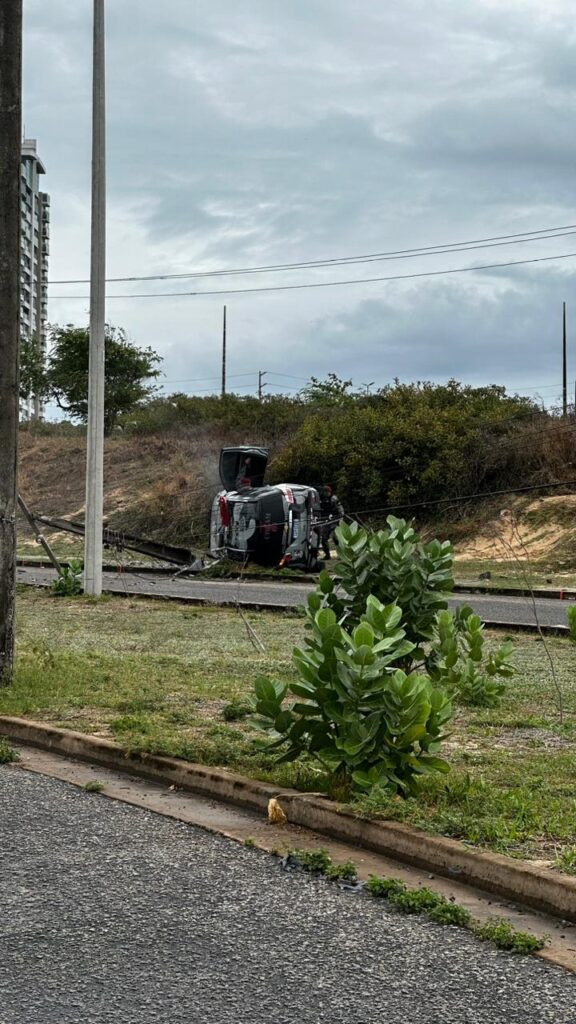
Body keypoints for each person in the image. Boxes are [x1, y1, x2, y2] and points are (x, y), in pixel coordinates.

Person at [318, 484, 344, 559]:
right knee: (323, 539)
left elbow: (340, 508)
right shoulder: (321, 499)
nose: (325, 493)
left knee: (335, 537)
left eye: (327, 492)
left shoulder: (333, 499)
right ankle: (327, 555)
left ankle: (342, 554)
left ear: (329, 492)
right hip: (325, 521)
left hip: (334, 521)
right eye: (324, 492)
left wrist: (341, 517)